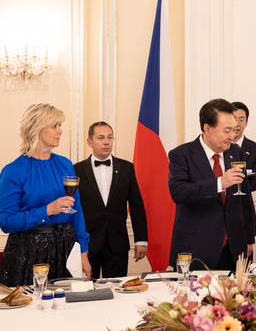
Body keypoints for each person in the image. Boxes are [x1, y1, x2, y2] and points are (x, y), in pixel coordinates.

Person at [0, 103, 91, 286]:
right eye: (55, 126)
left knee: (67, 308)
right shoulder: (13, 171)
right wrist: (47, 210)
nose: (60, 131)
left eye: (60, 125)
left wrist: (83, 253)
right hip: (28, 252)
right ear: (36, 129)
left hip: (66, 249)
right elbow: (6, 222)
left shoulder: (65, 164)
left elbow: (77, 212)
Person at [167, 98, 254, 270]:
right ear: (208, 129)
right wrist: (219, 183)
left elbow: (245, 199)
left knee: (236, 297)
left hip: (234, 249)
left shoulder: (236, 152)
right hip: (196, 248)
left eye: (234, 130)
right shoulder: (181, 154)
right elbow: (178, 192)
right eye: (227, 130)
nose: (233, 136)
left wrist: (249, 238)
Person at [74, 122, 148, 279]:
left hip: (117, 244)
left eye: (109, 137)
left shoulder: (127, 168)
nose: (106, 142)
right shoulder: (76, 170)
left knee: (118, 293)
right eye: (100, 138)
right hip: (87, 245)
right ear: (90, 142)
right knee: (86, 292)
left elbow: (136, 206)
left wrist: (141, 240)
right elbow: (72, 208)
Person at [231, 101, 256, 239]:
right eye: (234, 119)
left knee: (244, 258)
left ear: (247, 122)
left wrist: (235, 187)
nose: (237, 124)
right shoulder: (219, 146)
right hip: (216, 210)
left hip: (243, 210)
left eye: (241, 120)